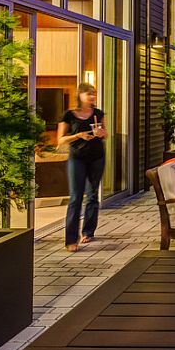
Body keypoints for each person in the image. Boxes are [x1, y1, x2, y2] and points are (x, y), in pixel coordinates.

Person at [57, 83, 107, 252]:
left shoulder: (98, 114)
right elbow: (61, 139)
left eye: (94, 94)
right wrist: (78, 135)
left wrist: (101, 134)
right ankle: (71, 239)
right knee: (75, 197)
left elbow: (105, 133)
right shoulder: (69, 115)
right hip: (77, 158)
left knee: (92, 195)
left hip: (97, 157)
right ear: (80, 95)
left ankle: (88, 231)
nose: (92, 97)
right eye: (89, 94)